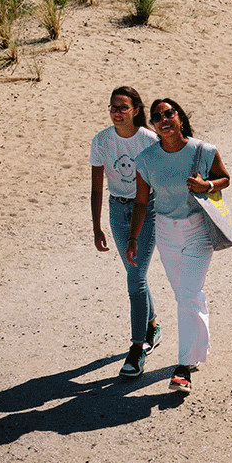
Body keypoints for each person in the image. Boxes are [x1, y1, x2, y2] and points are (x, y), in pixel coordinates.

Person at [128, 98, 230, 395]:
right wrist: (134, 238)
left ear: (180, 118)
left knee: (188, 294)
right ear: (154, 126)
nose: (164, 119)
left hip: (198, 229)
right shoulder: (146, 160)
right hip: (165, 232)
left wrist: (207, 186)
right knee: (185, 296)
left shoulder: (203, 150)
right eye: (157, 117)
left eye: (169, 113)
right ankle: (198, 347)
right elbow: (142, 201)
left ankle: (183, 368)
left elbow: (224, 178)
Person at [90, 87, 162, 379]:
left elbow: (148, 193)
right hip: (117, 209)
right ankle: (153, 325)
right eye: (112, 107)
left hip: (147, 209)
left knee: (135, 275)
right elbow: (96, 187)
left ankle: (137, 349)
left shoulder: (149, 141)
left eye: (122, 107)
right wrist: (96, 227)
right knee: (137, 274)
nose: (116, 113)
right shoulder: (102, 140)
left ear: (135, 110)